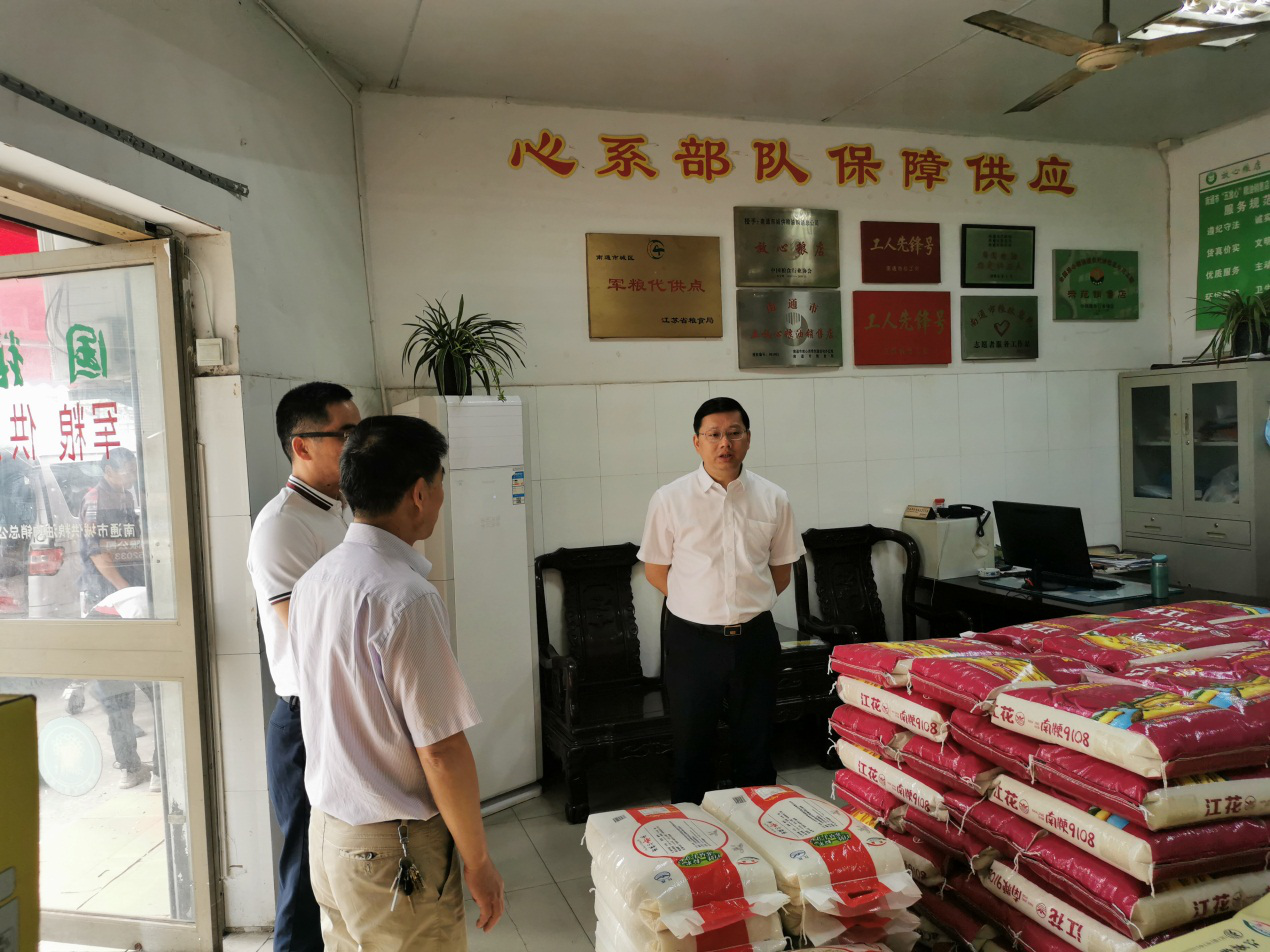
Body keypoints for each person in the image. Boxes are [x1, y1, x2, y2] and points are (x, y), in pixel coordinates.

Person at [289, 415, 504, 949]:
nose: (441, 498)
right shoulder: (405, 597)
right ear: (419, 493)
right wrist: (478, 861)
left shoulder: (315, 580)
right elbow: (441, 750)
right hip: (393, 851)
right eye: (440, 484)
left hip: (330, 836)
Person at [638, 396, 804, 805]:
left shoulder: (774, 498)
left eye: (734, 433)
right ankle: (693, 834)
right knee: (692, 748)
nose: (724, 443)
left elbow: (781, 571)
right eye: (713, 435)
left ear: (748, 438)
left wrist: (743, 603)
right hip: (692, 641)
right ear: (697, 442)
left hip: (755, 639)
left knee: (756, 746)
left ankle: (759, 830)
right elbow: (656, 570)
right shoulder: (670, 499)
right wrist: (702, 603)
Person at [247, 382, 361, 952]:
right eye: (346, 435)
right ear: (302, 445)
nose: (358, 446)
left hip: (337, 709)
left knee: (337, 861)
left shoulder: (338, 511)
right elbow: (313, 632)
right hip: (304, 720)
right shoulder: (282, 526)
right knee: (304, 865)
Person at [78, 448, 155, 790]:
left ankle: (157, 769)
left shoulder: (125, 495)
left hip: (132, 599)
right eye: (127, 472)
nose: (133, 477)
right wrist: (128, 592)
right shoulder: (96, 501)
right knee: (122, 695)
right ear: (108, 472)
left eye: (135, 471)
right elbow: (97, 553)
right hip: (114, 604)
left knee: (149, 692)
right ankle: (132, 766)